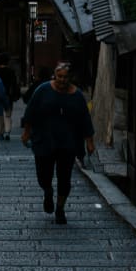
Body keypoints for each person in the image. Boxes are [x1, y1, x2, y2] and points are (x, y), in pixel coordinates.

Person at [21, 61, 95, 225]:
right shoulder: (43, 90)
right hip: (44, 140)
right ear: (55, 75)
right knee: (43, 176)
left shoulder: (77, 96)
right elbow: (30, 112)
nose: (62, 80)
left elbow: (85, 119)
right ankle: (47, 191)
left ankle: (60, 208)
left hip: (67, 143)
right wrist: (27, 132)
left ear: (70, 77)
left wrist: (89, 141)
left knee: (64, 177)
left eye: (65, 77)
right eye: (59, 76)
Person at [0, 52, 20, 142]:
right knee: (8, 115)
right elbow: (14, 84)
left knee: (0, 115)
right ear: (8, 61)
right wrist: (16, 95)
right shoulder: (11, 71)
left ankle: (0, 132)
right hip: (8, 96)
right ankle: (7, 132)